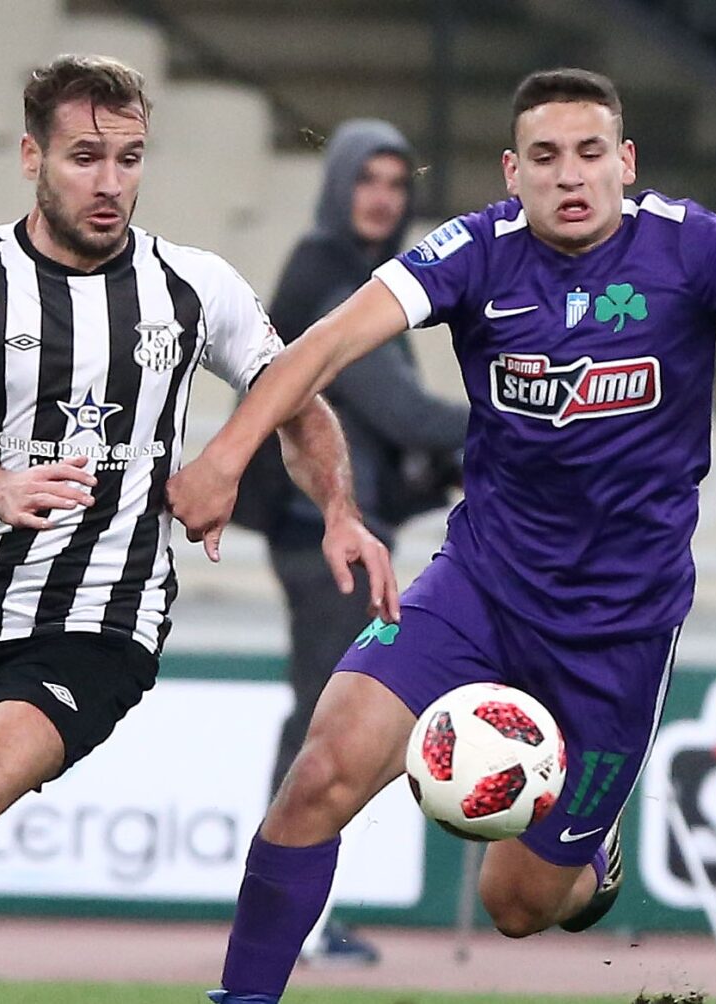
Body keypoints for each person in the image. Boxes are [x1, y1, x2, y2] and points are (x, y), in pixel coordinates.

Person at [166, 68, 716, 1004]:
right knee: (321, 774)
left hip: (618, 632)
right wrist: (224, 457)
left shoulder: (692, 245)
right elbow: (327, 344)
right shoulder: (477, 250)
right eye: (544, 156)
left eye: (590, 152)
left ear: (626, 161)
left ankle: (590, 859)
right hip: (480, 587)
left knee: (517, 904)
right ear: (513, 172)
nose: (569, 174)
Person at [0, 54, 397, 1004]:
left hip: (104, 615)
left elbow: (300, 403)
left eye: (129, 158)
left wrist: (340, 513)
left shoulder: (194, 286)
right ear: (33, 157)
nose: (110, 183)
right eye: (84, 158)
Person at [258, 119, 469, 965]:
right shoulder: (333, 277)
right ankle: (293, 919)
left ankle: (290, 912)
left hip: (328, 529)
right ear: (337, 185)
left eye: (396, 182)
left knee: (320, 718)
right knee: (325, 727)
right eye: (367, 180)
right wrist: (532, 425)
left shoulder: (346, 272)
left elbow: (391, 435)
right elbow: (402, 414)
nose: (382, 198)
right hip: (324, 534)